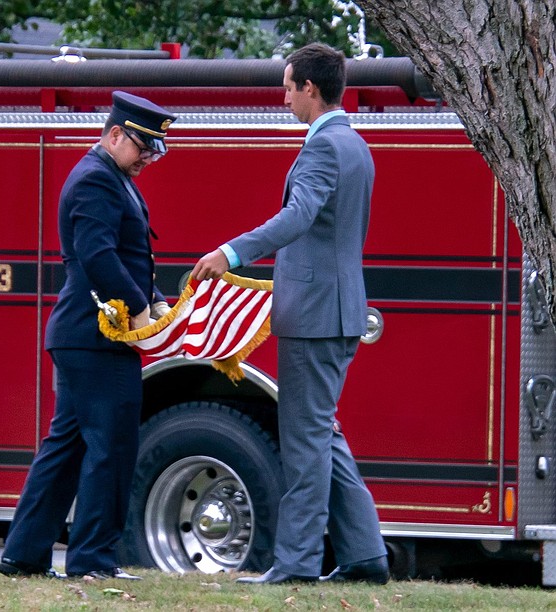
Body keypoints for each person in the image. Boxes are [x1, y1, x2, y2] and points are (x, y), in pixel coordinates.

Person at [192, 43, 389, 585]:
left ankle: (298, 565)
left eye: (287, 87)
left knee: (305, 443)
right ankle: (367, 556)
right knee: (322, 434)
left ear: (309, 88)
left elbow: (297, 217)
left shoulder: (323, 148)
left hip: (316, 316)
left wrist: (228, 253)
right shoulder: (357, 146)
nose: (283, 98)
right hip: (341, 310)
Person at [0, 92, 176, 580]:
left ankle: (23, 554)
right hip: (97, 336)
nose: (147, 158)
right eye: (143, 145)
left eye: (155, 149)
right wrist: (140, 309)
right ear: (114, 134)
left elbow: (123, 254)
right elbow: (97, 257)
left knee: (67, 448)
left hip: (86, 334)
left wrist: (156, 298)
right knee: (111, 447)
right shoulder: (97, 179)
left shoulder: (109, 175)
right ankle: (93, 561)